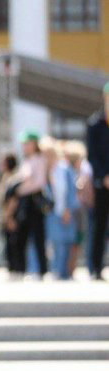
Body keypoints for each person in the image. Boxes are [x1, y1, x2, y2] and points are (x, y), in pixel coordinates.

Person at [43, 139, 79, 280]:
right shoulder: (46, 171)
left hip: (65, 210)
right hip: (51, 212)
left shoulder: (65, 169)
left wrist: (68, 209)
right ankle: (56, 270)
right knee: (54, 242)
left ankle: (64, 272)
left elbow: (71, 191)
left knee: (66, 242)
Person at [16, 129, 49, 278]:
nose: (24, 146)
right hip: (24, 201)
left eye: (27, 143)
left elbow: (39, 182)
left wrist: (21, 189)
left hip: (34, 201)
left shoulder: (39, 160)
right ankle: (21, 269)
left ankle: (42, 270)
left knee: (38, 237)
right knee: (21, 236)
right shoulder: (26, 160)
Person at [86, 82, 109, 280]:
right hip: (102, 184)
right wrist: (103, 177)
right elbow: (92, 155)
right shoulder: (95, 124)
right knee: (99, 226)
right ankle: (95, 268)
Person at [65, 140, 92, 277]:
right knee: (71, 241)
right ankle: (68, 269)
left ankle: (71, 269)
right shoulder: (67, 171)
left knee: (77, 240)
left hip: (79, 209)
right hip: (71, 210)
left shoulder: (83, 169)